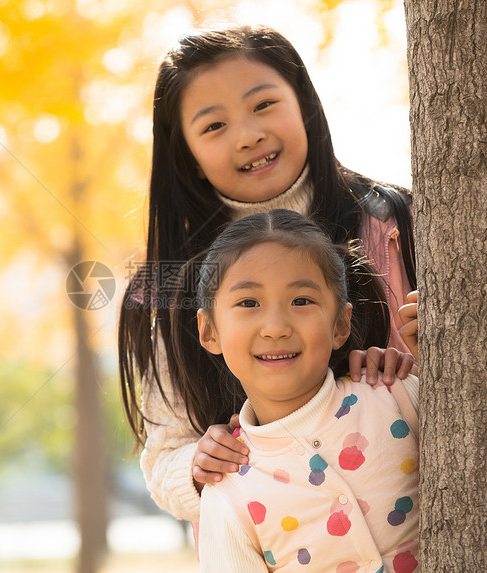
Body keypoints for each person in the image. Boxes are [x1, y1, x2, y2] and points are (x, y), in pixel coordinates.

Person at [118, 24, 417, 523]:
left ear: (304, 104)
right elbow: (163, 456)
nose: (249, 135)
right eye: (213, 126)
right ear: (186, 155)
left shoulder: (396, 225)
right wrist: (198, 465)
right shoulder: (173, 292)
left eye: (263, 105)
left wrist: (429, 353)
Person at [183, 209, 419, 572]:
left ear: (341, 323)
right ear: (209, 331)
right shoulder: (228, 491)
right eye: (249, 303)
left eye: (301, 301)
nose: (275, 327)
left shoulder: (396, 396)